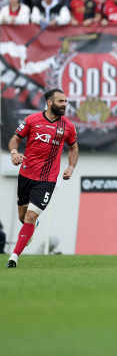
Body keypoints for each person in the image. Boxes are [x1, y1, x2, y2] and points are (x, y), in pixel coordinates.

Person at [6, 89, 79, 268]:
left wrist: (70, 167)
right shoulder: (32, 120)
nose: (64, 104)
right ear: (49, 102)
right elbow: (14, 140)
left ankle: (14, 257)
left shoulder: (67, 126)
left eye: (65, 101)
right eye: (61, 101)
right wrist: (14, 153)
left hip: (47, 179)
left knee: (30, 215)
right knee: (23, 216)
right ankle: (33, 224)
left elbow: (73, 148)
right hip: (25, 174)